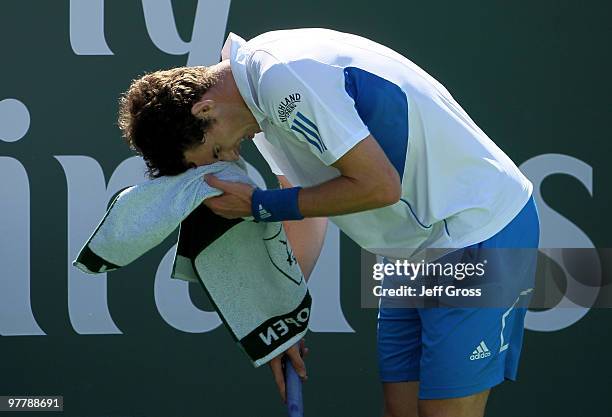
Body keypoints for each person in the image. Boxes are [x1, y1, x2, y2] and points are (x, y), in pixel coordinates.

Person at [117, 28, 540, 417]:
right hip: (411, 251)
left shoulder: (284, 79)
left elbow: (378, 187)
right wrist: (282, 317)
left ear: (205, 108)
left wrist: (260, 205)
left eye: (213, 152)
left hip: (477, 230)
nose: (228, 158)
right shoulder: (256, 99)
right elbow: (305, 205)